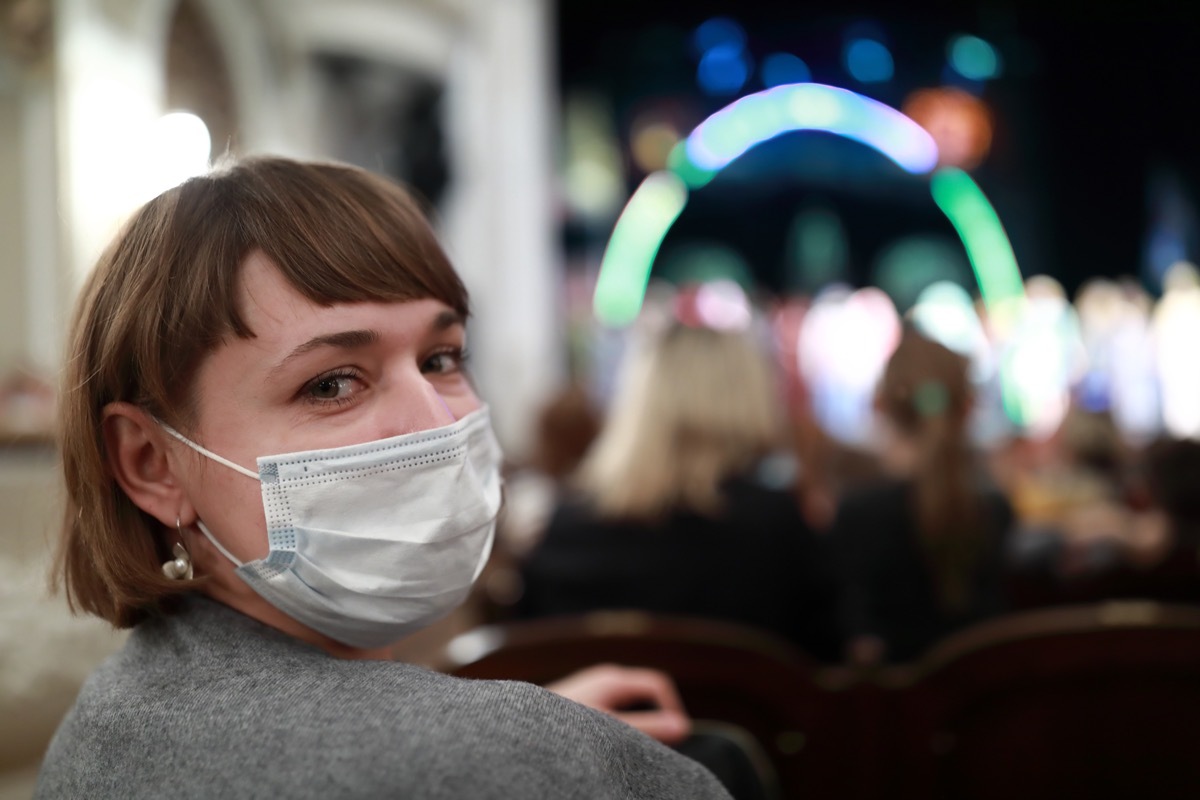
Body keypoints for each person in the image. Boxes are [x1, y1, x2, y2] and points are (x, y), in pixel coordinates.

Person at [34, 157, 731, 799]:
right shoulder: (510, 762)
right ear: (152, 464)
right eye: (333, 383)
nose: (433, 420)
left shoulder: (105, 725)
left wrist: (503, 726)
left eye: (441, 358)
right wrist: (525, 743)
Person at [516, 321, 841, 663]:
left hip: (585, 716)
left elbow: (531, 668)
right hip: (734, 716)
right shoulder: (777, 527)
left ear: (636, 401)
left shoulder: (566, 527)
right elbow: (824, 663)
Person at [829, 327, 1015, 664]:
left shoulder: (856, 515)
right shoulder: (996, 510)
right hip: (983, 709)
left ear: (879, 404)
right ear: (968, 407)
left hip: (892, 714)